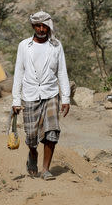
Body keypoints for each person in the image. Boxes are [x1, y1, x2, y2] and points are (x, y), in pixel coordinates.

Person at [12, 11, 70, 181]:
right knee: (31, 137)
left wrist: (65, 98)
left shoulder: (56, 46)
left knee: (52, 132)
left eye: (44, 26)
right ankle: (32, 154)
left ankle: (45, 169)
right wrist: (16, 100)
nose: (41, 29)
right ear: (33, 26)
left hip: (51, 93)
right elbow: (18, 72)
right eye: (38, 25)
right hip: (29, 94)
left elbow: (62, 72)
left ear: (48, 27)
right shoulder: (24, 46)